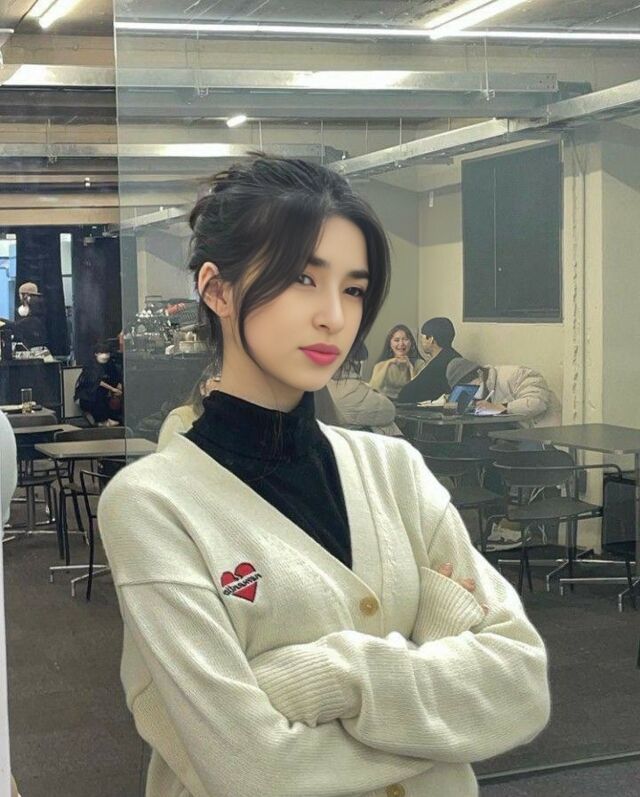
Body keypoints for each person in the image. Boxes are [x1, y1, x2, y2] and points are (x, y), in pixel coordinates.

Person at [98, 155, 549, 797]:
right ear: (217, 290)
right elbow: (255, 770)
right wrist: (437, 687)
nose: (334, 316)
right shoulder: (154, 505)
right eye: (302, 279)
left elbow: (521, 687)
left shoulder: (394, 470)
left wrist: (322, 678)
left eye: (354, 289)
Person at [446, 357, 562, 428]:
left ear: (480, 373)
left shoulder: (518, 375)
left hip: (540, 435)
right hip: (509, 437)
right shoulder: (478, 386)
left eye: (470, 385)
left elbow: (536, 404)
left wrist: (500, 408)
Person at [328, 342, 401, 436]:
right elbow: (389, 411)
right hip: (346, 438)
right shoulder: (349, 389)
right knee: (387, 428)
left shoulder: (324, 383)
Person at [396, 316, 461, 404]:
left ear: (431, 339)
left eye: (422, 337)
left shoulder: (437, 366)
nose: (420, 341)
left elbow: (406, 395)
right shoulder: (455, 356)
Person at [157, 363, 220, 450]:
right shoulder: (181, 417)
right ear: (202, 388)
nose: (225, 387)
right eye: (218, 380)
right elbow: (165, 457)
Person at [369, 324, 425, 399]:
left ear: (411, 342)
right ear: (390, 343)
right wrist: (388, 363)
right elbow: (373, 390)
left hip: (412, 403)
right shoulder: (380, 365)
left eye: (405, 339)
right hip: (386, 403)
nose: (401, 344)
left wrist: (410, 367)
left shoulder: (419, 364)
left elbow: (419, 390)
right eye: (396, 340)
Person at [74, 341, 123, 426]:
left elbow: (116, 376)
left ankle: (106, 419)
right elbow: (97, 381)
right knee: (99, 393)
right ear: (96, 354)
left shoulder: (110, 364)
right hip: (87, 396)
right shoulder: (90, 365)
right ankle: (102, 421)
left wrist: (119, 386)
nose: (105, 355)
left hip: (105, 395)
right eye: (102, 353)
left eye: (107, 353)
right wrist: (112, 389)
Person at [0, 283, 47, 351]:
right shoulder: (41, 307)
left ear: (25, 295)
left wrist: (3, 322)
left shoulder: (32, 320)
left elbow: (16, 326)